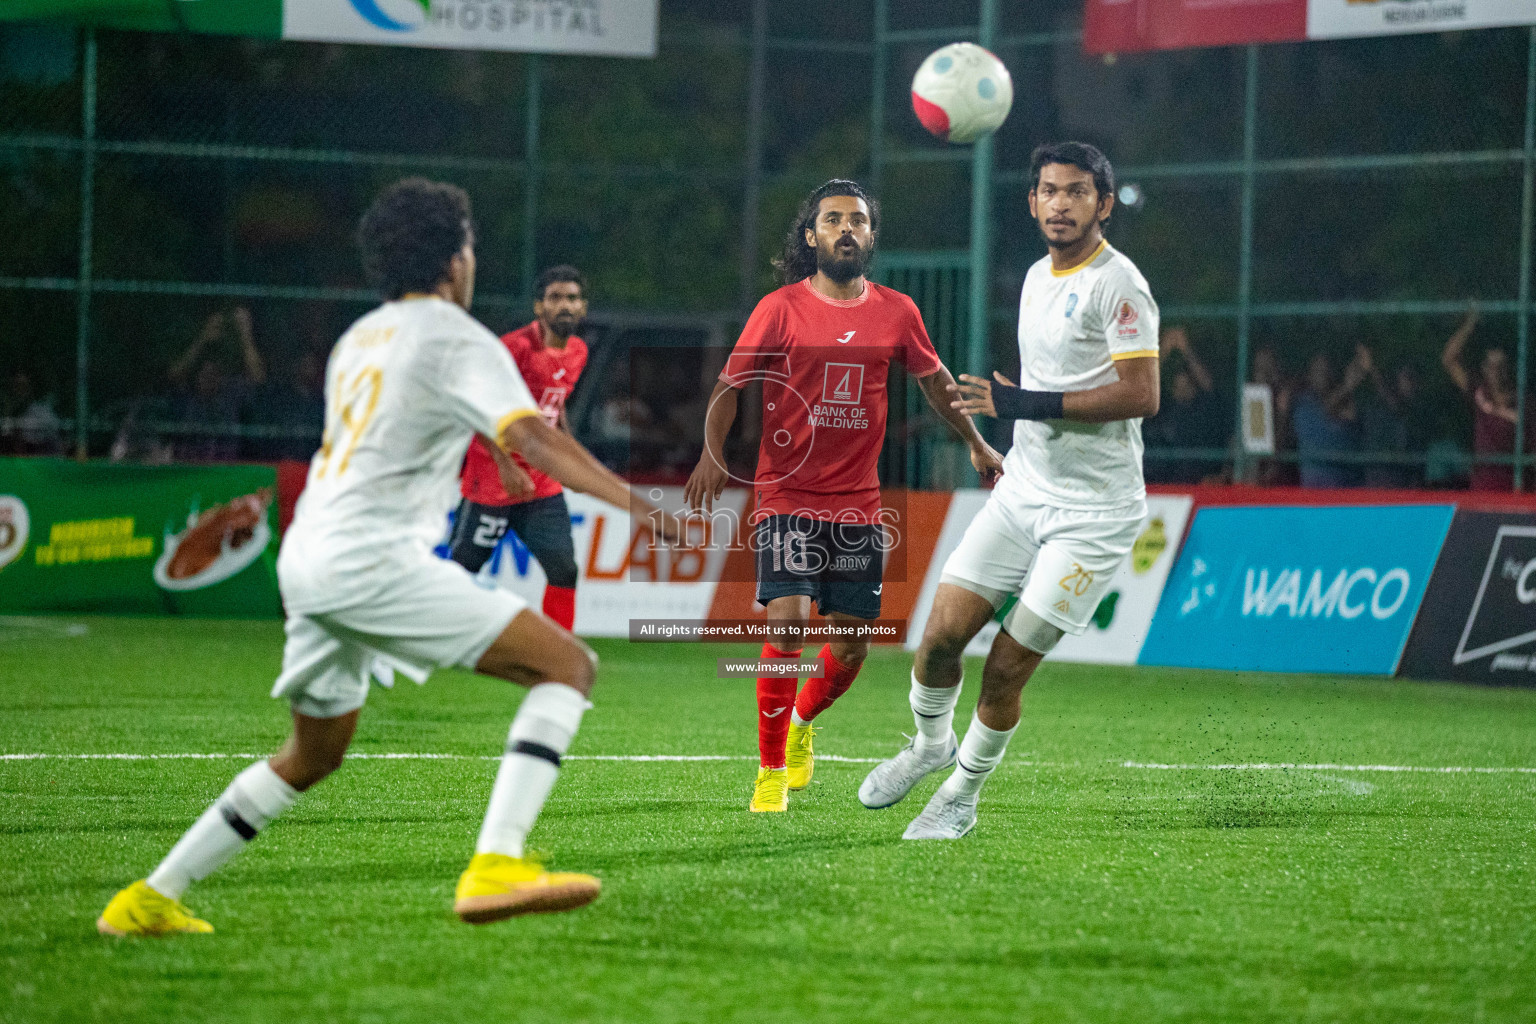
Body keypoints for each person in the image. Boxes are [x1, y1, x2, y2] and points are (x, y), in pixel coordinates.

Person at [97, 177, 676, 937]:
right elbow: (532, 436)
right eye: (469, 245)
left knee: (312, 755)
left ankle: (148, 899)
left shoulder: (359, 338)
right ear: (452, 258)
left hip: (308, 559)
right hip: (370, 560)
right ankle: (498, 859)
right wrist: (638, 505)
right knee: (568, 666)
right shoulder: (454, 336)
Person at [858, 142, 1159, 840]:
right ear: (1031, 202)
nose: (1061, 203)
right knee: (936, 640)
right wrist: (1015, 429)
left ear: (1104, 204)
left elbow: (1142, 394)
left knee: (1003, 670)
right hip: (1025, 491)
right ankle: (930, 746)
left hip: (1095, 514)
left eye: (1078, 192)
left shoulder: (1121, 284)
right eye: (1049, 191)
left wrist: (1025, 405)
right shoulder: (1033, 275)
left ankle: (962, 793)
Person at [684, 179, 1004, 814]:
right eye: (833, 220)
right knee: (789, 620)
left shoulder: (897, 312)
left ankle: (802, 724)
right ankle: (770, 770)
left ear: (871, 236)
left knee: (854, 643)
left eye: (857, 220)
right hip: (786, 494)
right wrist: (712, 454)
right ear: (812, 236)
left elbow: (935, 382)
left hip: (858, 502)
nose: (846, 229)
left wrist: (974, 441)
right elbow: (729, 385)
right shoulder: (779, 308)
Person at [448, 265, 591, 630]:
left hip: (541, 484)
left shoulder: (577, 352)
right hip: (493, 482)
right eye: (555, 297)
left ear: (583, 308)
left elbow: (553, 412)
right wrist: (504, 465)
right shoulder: (513, 349)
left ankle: (560, 650)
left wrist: (571, 460)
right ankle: (425, 639)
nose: (565, 305)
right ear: (538, 307)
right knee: (461, 570)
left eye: (572, 298)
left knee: (564, 568)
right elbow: (479, 408)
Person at [1441, 304, 1528, 490]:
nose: (1497, 372)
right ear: (1484, 369)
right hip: (1483, 486)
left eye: (1501, 366)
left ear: (1509, 368)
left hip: (1514, 486)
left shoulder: (1524, 402)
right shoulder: (1479, 392)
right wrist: (1469, 325)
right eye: (1491, 366)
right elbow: (1449, 359)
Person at [166, 306, 265, 462]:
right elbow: (174, 374)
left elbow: (258, 379)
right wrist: (203, 338)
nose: (209, 378)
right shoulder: (187, 397)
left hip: (223, 473)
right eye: (205, 374)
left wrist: (245, 335)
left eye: (214, 374)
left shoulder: (230, 395)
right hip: (187, 473)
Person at [1143, 326, 1222, 483]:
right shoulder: (1164, 408)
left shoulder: (1203, 408)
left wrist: (1187, 350)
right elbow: (1143, 389)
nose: (1181, 391)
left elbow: (1209, 387)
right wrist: (1163, 350)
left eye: (1187, 387)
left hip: (1194, 481)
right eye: (1177, 387)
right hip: (1161, 482)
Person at [1292, 349, 1364, 488]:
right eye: (1318, 370)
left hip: (1345, 488)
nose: (1323, 375)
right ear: (1309, 375)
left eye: (1326, 370)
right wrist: (1347, 386)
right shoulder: (1303, 403)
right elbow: (1325, 410)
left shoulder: (1342, 403)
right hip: (1315, 490)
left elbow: (1351, 420)